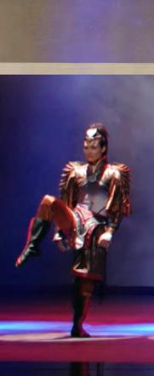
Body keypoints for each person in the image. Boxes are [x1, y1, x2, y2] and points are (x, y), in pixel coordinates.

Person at [15, 124, 132, 338]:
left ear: (103, 148)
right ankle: (32, 246)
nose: (89, 151)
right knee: (48, 202)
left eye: (94, 147)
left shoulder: (113, 174)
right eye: (86, 146)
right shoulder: (75, 171)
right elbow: (67, 202)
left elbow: (118, 207)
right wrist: (59, 231)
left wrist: (110, 231)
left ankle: (77, 325)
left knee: (84, 281)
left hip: (95, 227)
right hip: (75, 219)